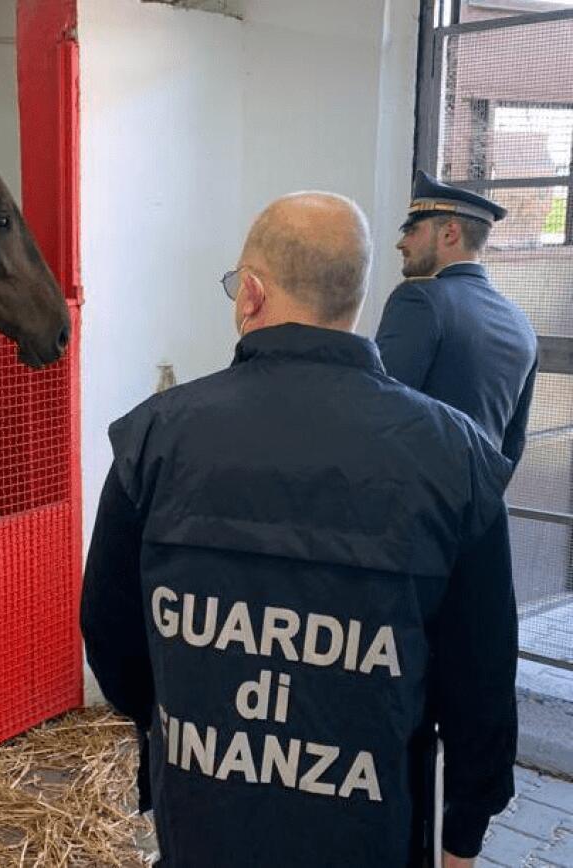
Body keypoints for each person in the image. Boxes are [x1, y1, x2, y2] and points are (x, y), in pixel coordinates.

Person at [81, 192, 518, 867]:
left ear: (250, 294)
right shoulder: (456, 455)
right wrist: (464, 829)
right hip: (371, 831)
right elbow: (482, 676)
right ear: (354, 300)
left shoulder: (155, 437)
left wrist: (186, 717)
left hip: (202, 817)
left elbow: (110, 634)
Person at [376, 171, 537, 468]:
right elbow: (513, 441)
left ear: (449, 232)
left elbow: (380, 410)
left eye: (411, 230)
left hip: (413, 504)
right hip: (480, 505)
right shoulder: (520, 322)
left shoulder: (419, 299)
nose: (401, 243)